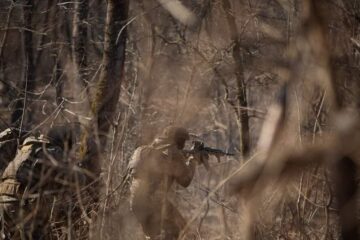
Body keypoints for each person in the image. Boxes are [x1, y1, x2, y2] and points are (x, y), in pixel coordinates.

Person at [0, 123, 83, 239]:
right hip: (22, 205)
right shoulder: (53, 151)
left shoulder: (27, 146)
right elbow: (77, 180)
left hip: (3, 201)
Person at [127, 126, 204, 240]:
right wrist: (193, 160)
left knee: (154, 235)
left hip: (135, 202)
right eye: (182, 141)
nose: (183, 144)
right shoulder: (173, 152)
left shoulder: (149, 149)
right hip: (155, 202)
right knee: (182, 231)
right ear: (178, 140)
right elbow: (185, 180)